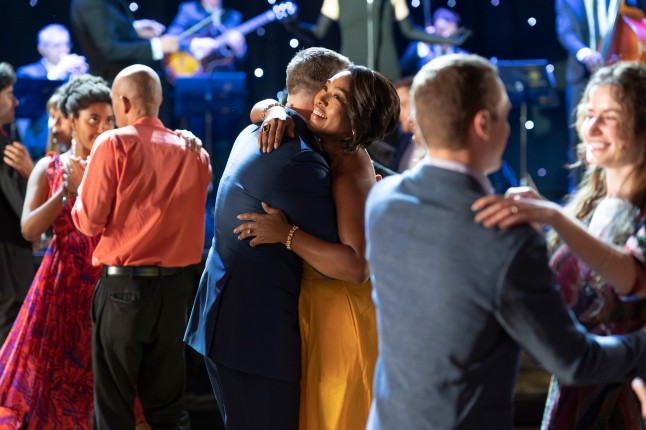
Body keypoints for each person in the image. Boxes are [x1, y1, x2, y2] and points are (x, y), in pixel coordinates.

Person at [363, 53, 646, 430]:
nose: (591, 127)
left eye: (608, 116)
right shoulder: (506, 237)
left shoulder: (381, 199)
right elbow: (571, 359)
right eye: (506, 114)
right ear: (484, 124)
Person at [472, 61, 646, 429]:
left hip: (623, 394)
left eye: (610, 117)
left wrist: (554, 217)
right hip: (576, 387)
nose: (592, 128)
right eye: (589, 114)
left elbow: (633, 277)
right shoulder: (590, 204)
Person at [183, 47, 351, 430]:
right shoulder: (300, 158)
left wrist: (272, 107)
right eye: (344, 93)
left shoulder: (255, 130)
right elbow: (340, 263)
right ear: (324, 94)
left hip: (226, 321)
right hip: (255, 338)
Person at [234, 66, 399, 430]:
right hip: (320, 309)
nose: (321, 98)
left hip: (342, 317)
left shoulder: (350, 173)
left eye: (336, 97)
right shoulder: (328, 140)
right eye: (325, 88)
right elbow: (258, 108)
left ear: (355, 125)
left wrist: (286, 233)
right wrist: (274, 111)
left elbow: (356, 267)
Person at [71, 64, 211, 429]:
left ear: (122, 102)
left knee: (114, 409)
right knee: (168, 410)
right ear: (159, 100)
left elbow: (88, 222)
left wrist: (82, 187)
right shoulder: (195, 151)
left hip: (124, 290)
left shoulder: (113, 143)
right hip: (175, 290)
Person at [0, 74, 118, 428]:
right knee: (52, 380)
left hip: (106, 285)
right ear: (72, 120)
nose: (102, 127)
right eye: (93, 119)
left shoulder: (117, 165)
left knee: (107, 381)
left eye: (109, 119)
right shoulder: (49, 166)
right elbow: (29, 228)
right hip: (61, 284)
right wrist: (63, 194)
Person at [556, 0, 646, 186]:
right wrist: (583, 53)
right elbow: (565, 31)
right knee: (578, 140)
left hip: (618, 75)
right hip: (580, 75)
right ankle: (579, 191)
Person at [283, 0, 470, 80]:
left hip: (387, 72)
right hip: (351, 71)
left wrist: (447, 40)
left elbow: (410, 29)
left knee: (387, 132)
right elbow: (318, 31)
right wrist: (295, 26)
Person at [15, 24, 87, 160]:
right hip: (39, 146)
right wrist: (58, 72)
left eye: (66, 44)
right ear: (41, 48)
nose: (63, 49)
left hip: (72, 144)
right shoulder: (28, 73)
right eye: (56, 45)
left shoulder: (71, 72)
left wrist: (82, 78)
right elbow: (29, 108)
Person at [0, 63, 34, 347]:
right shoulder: (5, 146)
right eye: (10, 93)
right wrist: (32, 174)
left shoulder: (7, 136)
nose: (16, 102)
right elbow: (17, 201)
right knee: (9, 314)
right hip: (8, 246)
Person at [70, 0, 179, 83]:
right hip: (113, 86)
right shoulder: (90, 3)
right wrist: (157, 46)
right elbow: (109, 50)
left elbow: (105, 27)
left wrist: (134, 29)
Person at [167, 0, 247, 74]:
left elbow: (242, 56)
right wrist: (197, 43)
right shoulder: (189, 10)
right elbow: (170, 38)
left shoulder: (233, 16)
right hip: (194, 72)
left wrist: (239, 48)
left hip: (224, 75)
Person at [400, 7, 467, 77]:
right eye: (442, 30)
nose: (446, 37)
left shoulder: (461, 55)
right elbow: (403, 69)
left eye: (450, 32)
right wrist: (423, 44)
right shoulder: (420, 47)